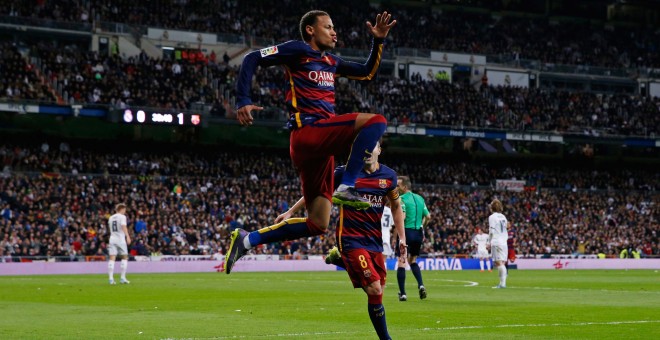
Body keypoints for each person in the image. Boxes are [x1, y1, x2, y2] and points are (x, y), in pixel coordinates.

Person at [224, 10, 396, 274]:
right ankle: (348, 185)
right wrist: (243, 100)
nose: (334, 31)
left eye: (334, 26)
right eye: (328, 27)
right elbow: (251, 58)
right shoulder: (297, 50)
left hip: (319, 147)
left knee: (318, 223)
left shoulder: (331, 61)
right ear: (310, 31)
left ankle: (247, 240)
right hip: (309, 132)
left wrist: (379, 41)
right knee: (377, 121)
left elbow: (366, 73)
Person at [277, 142, 406, 340]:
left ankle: (341, 261)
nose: (369, 150)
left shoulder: (389, 177)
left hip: (375, 242)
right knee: (374, 288)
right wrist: (291, 211)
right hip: (350, 238)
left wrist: (402, 238)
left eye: (373, 146)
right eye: (365, 146)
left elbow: (396, 206)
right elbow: (317, 191)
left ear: (379, 150)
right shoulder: (345, 173)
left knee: (378, 289)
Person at [395, 176, 430, 301]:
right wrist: (422, 226)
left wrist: (396, 227)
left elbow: (402, 217)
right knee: (413, 260)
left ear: (405, 186)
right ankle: (421, 285)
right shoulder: (420, 198)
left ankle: (403, 294)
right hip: (418, 233)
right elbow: (429, 216)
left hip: (406, 232)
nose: (396, 187)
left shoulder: (401, 199)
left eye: (398, 185)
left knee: (402, 261)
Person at [107, 203, 131, 284]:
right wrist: (127, 236)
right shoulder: (122, 217)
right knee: (124, 258)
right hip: (120, 240)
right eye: (124, 210)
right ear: (122, 209)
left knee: (112, 259)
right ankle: (122, 278)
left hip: (112, 239)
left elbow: (110, 229)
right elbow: (123, 226)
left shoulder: (111, 217)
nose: (125, 211)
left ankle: (111, 279)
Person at [488, 199, 508, 289]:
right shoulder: (503, 216)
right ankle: (502, 283)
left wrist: (489, 241)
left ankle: (502, 284)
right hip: (504, 241)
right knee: (502, 263)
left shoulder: (492, 217)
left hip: (496, 241)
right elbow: (507, 227)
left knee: (498, 263)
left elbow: (491, 231)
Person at [381, 202, 394, 268]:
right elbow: (392, 226)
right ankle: (383, 277)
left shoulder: (379, 209)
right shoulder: (390, 211)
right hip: (386, 237)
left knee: (376, 260)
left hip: (377, 235)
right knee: (383, 261)